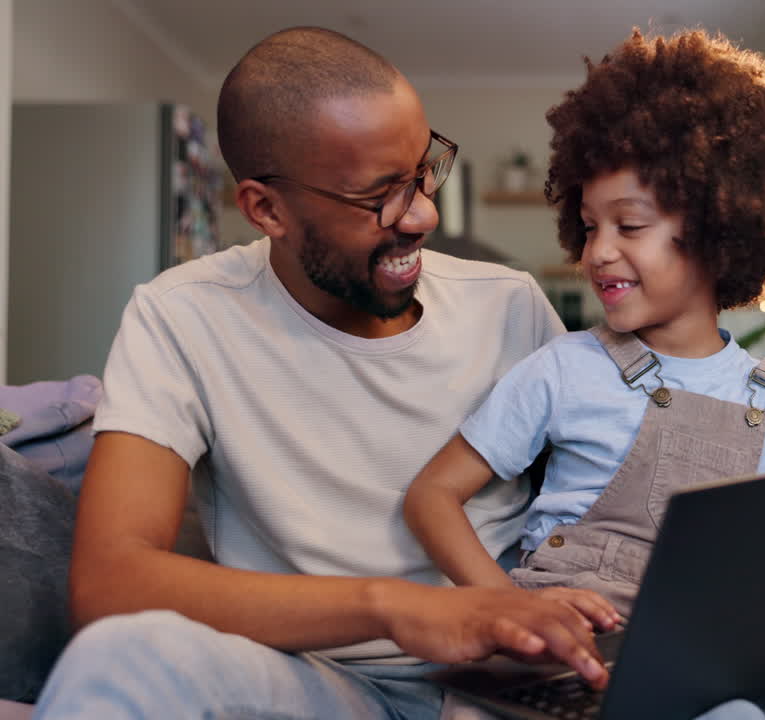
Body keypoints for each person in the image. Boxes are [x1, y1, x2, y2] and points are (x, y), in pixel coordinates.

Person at [33, 26, 612, 720]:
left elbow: (600, 501)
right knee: (118, 658)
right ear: (266, 209)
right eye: (380, 196)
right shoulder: (181, 316)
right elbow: (109, 585)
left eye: (422, 172)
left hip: (501, 683)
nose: (423, 214)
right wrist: (394, 608)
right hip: (319, 685)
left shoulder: (510, 305)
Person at [406, 29, 765, 720]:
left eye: (628, 226)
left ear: (721, 230)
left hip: (710, 643)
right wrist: (507, 604)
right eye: (589, 226)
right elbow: (432, 496)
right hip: (573, 637)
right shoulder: (566, 368)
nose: (597, 252)